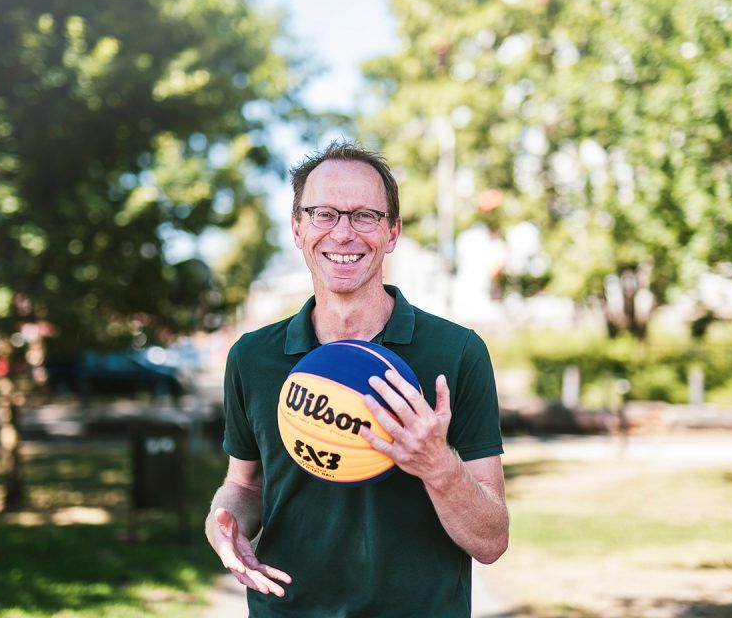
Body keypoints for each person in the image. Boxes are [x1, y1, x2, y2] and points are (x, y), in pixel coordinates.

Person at [204, 141, 508, 617]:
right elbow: (244, 485)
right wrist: (225, 525)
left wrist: (436, 463)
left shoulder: (456, 352)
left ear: (392, 233)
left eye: (364, 215)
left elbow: (491, 541)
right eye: (323, 214)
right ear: (298, 228)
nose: (343, 233)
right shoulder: (252, 357)